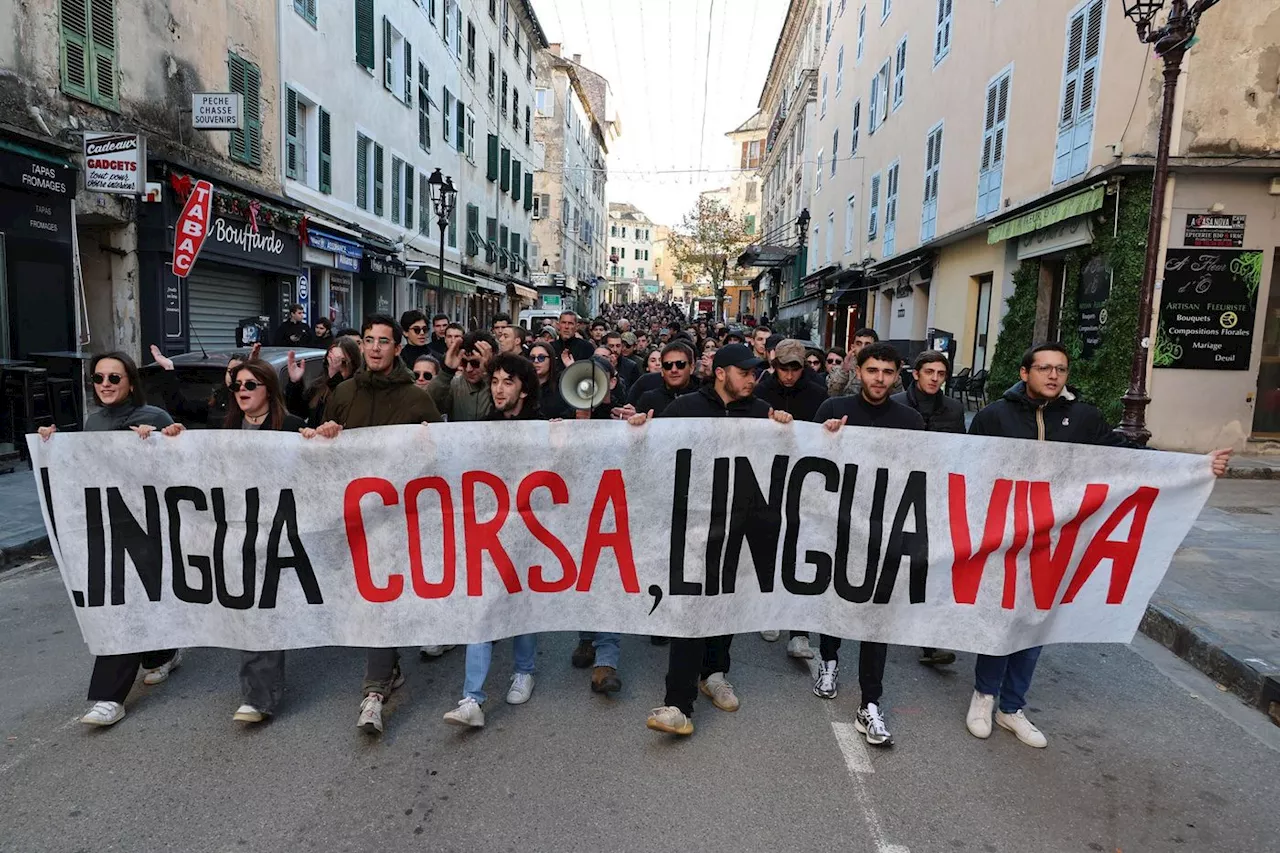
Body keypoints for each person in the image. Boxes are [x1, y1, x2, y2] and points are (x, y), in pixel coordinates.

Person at [963, 342, 1232, 748]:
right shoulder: (993, 417)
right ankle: (984, 696)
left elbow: (1128, 457)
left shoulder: (1084, 419)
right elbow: (965, 469)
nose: (1054, 376)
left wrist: (1192, 465)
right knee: (1002, 618)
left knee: (1037, 623)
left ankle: (1011, 707)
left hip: (1060, 541)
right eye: (1045, 368)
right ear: (1024, 373)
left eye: (1061, 369)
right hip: (1007, 538)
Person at [636, 344, 796, 737]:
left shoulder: (761, 413)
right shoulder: (685, 408)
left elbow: (790, 455)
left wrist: (787, 428)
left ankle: (715, 673)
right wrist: (639, 429)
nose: (753, 380)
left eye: (756, 373)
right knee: (689, 611)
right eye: (745, 373)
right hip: (690, 527)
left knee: (724, 605)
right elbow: (651, 450)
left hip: (739, 525)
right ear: (722, 373)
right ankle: (678, 702)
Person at [302, 314, 443, 736]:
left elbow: (440, 459)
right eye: (369, 340)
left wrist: (425, 443)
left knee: (381, 597)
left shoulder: (418, 400)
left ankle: (374, 691)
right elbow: (325, 455)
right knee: (367, 598)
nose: (376, 347)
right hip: (353, 517)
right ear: (361, 347)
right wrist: (326, 435)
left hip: (398, 520)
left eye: (384, 341)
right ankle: (390, 667)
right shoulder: (343, 393)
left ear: (398, 348)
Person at [39, 352, 180, 727]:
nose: (105, 384)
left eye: (114, 378)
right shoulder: (94, 421)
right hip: (107, 527)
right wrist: (51, 448)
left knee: (139, 598)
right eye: (98, 377)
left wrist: (161, 443)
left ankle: (123, 684)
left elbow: (185, 465)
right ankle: (147, 666)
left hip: (150, 527)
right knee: (121, 601)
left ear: (130, 383)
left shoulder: (153, 416)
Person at [160, 359, 305, 724]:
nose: (241, 391)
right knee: (251, 609)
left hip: (282, 532)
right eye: (237, 385)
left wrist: (325, 435)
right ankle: (258, 695)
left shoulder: (293, 428)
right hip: (237, 534)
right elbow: (193, 460)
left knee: (268, 609)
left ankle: (260, 696)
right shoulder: (222, 429)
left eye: (250, 385)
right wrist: (174, 438)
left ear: (269, 390)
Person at [811, 342, 926, 747]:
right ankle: (828, 661)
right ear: (858, 371)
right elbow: (808, 464)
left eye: (887, 372)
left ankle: (870, 703)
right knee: (835, 602)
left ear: (898, 376)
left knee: (877, 616)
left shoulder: (910, 419)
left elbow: (923, 472)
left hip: (886, 530)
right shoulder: (830, 411)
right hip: (838, 526)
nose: (879, 378)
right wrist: (825, 440)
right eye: (872, 370)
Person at [443, 354, 543, 728]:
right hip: (489, 531)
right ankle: (472, 697)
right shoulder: (481, 427)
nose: (499, 389)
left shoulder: (543, 427)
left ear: (524, 388)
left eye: (508, 382)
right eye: (495, 382)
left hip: (531, 532)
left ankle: (524, 670)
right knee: (482, 608)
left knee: (522, 603)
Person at [890, 350, 965, 668]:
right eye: (929, 372)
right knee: (896, 559)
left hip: (936, 494)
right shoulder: (895, 405)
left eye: (941, 373)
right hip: (896, 492)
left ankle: (929, 640)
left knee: (932, 563)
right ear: (916, 373)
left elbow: (962, 449)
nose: (935, 378)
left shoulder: (954, 409)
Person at [148, 342, 260, 428]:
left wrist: (253, 371)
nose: (231, 376)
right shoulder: (217, 402)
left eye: (237, 371)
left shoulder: (253, 404)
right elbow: (180, 407)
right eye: (229, 371)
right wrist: (169, 368)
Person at [285, 338, 362, 428]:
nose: (335, 367)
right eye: (331, 361)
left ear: (353, 364)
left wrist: (334, 379)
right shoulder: (318, 386)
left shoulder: (359, 389)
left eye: (342, 362)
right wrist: (295, 383)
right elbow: (298, 413)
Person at [429, 330, 496, 421]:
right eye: (464, 362)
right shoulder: (454, 385)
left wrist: (489, 373)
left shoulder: (505, 385)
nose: (468, 369)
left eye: (475, 363)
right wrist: (446, 372)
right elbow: (430, 404)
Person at [634, 341, 698, 417]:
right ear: (662, 370)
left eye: (680, 364)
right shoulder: (648, 400)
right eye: (668, 365)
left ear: (691, 368)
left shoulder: (704, 398)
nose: (674, 370)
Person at [529, 341, 572, 419]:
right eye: (532, 358)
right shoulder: (524, 385)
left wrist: (573, 369)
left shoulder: (562, 383)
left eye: (541, 357)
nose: (536, 361)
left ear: (551, 360)